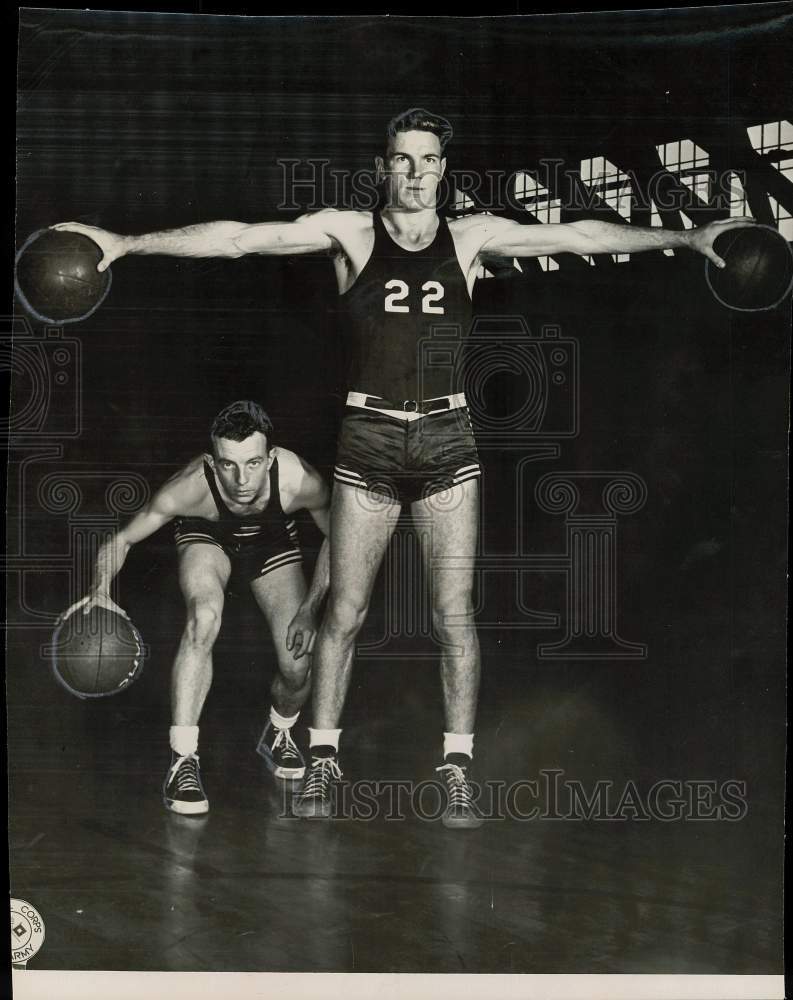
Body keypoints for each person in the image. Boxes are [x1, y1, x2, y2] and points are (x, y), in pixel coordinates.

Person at [54, 107, 754, 828]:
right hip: (369, 444)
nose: (415, 173)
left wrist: (687, 234)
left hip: (448, 443)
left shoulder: (473, 235)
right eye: (402, 159)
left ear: (443, 169)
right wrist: (125, 243)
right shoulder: (349, 232)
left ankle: (456, 765)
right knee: (345, 614)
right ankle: (323, 758)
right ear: (383, 165)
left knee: (454, 617)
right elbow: (238, 239)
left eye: (427, 160)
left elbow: (577, 234)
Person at [59, 400, 330, 815]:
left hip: (272, 540)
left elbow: (342, 539)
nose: (241, 479)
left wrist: (311, 607)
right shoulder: (189, 486)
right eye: (228, 465)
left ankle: (279, 731)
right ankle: (183, 760)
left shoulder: (300, 480)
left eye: (254, 463)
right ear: (211, 459)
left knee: (297, 665)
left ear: (271, 457)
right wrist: (99, 589)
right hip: (208, 534)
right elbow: (124, 539)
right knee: (203, 618)